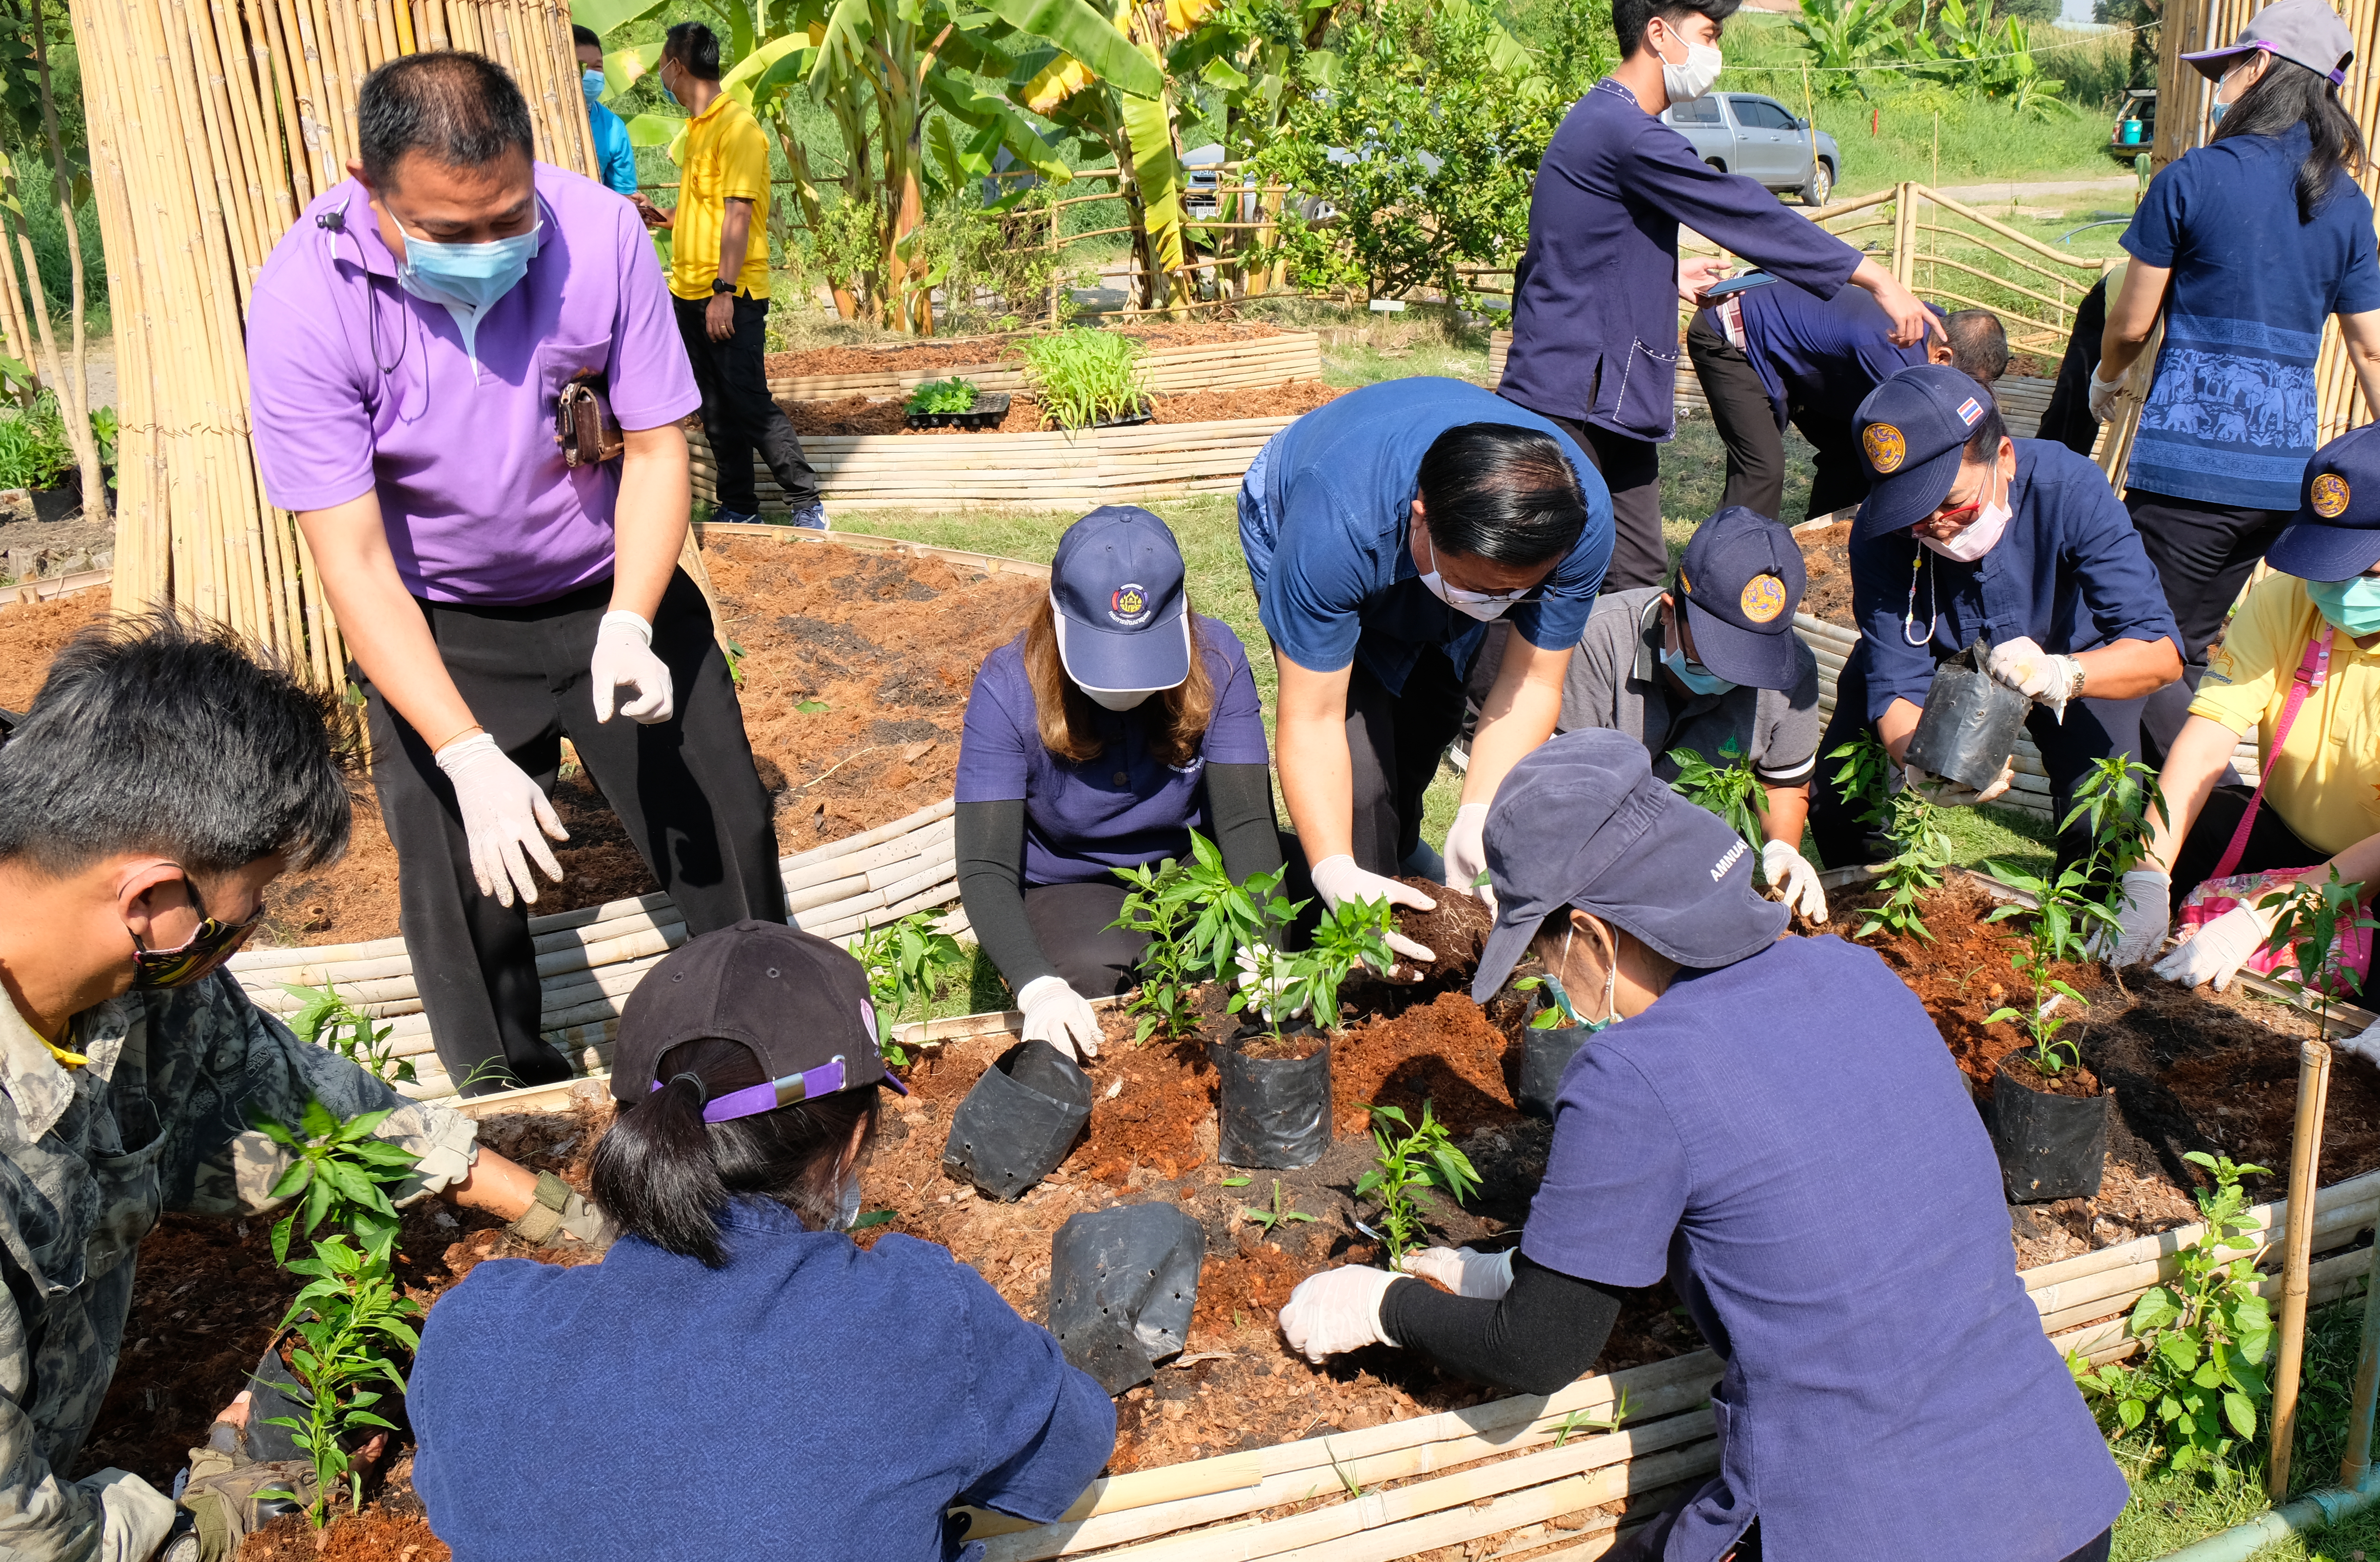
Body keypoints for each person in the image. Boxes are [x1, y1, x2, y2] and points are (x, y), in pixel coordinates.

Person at [1274, 727, 2125, 1561]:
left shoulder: (1635, 1074)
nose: (1549, 989)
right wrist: (1515, 1268)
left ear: (1596, 938)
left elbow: (1538, 1349)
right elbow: (1795, 1213)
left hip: (1875, 1523)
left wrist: (1383, 1306)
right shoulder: (1855, 973)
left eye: (1544, 956)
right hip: (2058, 1489)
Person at [0, 614, 609, 1562]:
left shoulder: (116, 944)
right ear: (153, 902)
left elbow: (278, 1091)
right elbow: (29, 1538)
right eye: (259, 894)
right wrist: (226, 1505)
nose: (256, 921)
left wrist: (548, 1208)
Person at [248, 51, 788, 1096]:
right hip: (442, 623)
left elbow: (659, 445)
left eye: (510, 217)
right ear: (369, 189)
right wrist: (462, 749)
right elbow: (352, 556)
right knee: (460, 892)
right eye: (452, 231)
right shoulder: (306, 298)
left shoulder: (599, 234)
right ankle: (512, 1102)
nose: (492, 248)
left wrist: (633, 619)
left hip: (610, 587)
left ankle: (776, 1049)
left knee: (725, 824)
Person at [407, 920, 1115, 1559]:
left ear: (640, 1129)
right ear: (853, 1141)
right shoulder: (918, 1322)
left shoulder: (475, 1335)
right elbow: (1071, 1450)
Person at [1497, 0, 1938, 591]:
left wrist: (1666, 276)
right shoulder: (1628, 133)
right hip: (1574, 394)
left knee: (1632, 574)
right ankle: (1497, 685)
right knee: (1537, 568)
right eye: (1708, 35)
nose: (1715, 55)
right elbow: (1744, 210)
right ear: (1658, 33)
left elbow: (1571, 245)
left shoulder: (1601, 117)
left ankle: (1609, 678)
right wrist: (1873, 276)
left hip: (1601, 392)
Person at [2088, 0, 2380, 764]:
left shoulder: (2193, 178)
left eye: (2230, 66)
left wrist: (2106, 377)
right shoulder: (2346, 201)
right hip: (2280, 480)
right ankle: (2176, 811)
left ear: (2261, 67)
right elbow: (2375, 355)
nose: (2220, 81)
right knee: (2187, 641)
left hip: (2189, 474)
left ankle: (2170, 819)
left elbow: (2132, 322)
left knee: (2143, 645)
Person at [2102, 417, 2380, 1016]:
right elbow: (2207, 745)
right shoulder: (2285, 601)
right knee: (2174, 828)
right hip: (2293, 842)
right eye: (2329, 567)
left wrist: (2262, 916)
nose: (2342, 588)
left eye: (2373, 572)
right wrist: (2149, 875)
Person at [1238, 377, 1613, 954]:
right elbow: (1312, 719)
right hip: (1311, 495)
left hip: (1441, 538)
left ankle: (1406, 843)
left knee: (1429, 724)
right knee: (1361, 782)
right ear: (1421, 518)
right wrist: (1335, 868)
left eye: (1516, 593)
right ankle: (1362, 912)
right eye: (1479, 587)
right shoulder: (1336, 524)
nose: (1496, 605)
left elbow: (1533, 681)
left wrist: (1479, 809)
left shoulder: (1575, 523)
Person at [1806, 365, 2183, 871]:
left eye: (1953, 504)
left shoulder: (2067, 487)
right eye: (1913, 514)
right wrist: (1918, 759)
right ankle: (1865, 913)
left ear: (2003, 457)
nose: (1935, 526)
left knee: (2104, 823)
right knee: (1839, 799)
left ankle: (2091, 929)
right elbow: (1895, 677)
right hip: (1941, 653)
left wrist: (2062, 675)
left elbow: (2159, 652)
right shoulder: (1881, 533)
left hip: (2069, 653)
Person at [955, 507, 1281, 1060]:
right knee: (1098, 980)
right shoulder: (1008, 686)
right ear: (1058, 618)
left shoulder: (1218, 657)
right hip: (1072, 878)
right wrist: (1038, 985)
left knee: (1309, 924)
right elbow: (986, 864)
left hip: (1193, 869)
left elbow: (1247, 820)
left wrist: (1266, 947)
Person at [1554, 505, 1828, 923]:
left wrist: (1783, 850)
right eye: (1714, 657)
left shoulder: (1792, 670)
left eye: (1746, 666)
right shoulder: (1599, 642)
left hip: (1703, 862)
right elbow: (1564, 790)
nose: (1728, 677)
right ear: (1669, 611)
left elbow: (1782, 781)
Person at [646, 22, 828, 532]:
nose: (663, 76)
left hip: (729, 293)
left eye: (664, 66)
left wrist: (723, 292)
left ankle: (805, 502)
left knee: (748, 401)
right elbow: (703, 208)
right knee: (714, 407)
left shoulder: (738, 128)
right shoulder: (700, 128)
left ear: (676, 67)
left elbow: (739, 215)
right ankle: (739, 504)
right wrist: (662, 217)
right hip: (688, 291)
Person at [1687, 286, 2008, 524]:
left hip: (1795, 347)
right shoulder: (1893, 354)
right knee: (1761, 469)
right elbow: (1921, 443)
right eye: (1962, 382)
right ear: (1942, 357)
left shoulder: (1933, 327)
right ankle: (1720, 579)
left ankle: (1821, 537)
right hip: (1731, 334)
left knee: (1853, 453)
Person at [571, 26, 637, 195]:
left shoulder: (614, 128)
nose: (591, 74)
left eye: (597, 67)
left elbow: (623, 195)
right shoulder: (530, 117)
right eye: (583, 67)